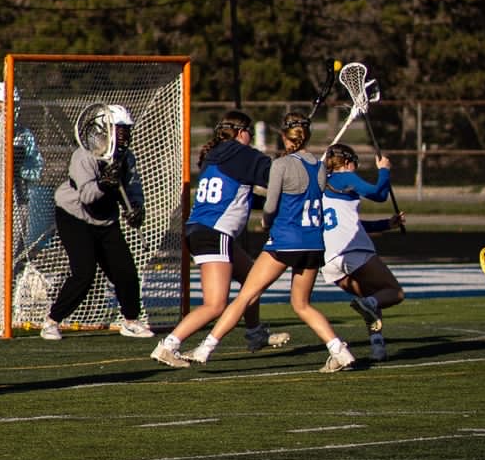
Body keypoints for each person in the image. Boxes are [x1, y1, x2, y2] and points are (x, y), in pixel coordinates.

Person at [183, 111, 354, 372]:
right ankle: (339, 351)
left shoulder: (282, 165)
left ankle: (205, 348)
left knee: (245, 296)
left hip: (284, 242)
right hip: (313, 243)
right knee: (302, 305)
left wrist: (266, 221)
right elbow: (312, 194)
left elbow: (272, 205)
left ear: (284, 137)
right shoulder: (318, 167)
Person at [150, 110, 282, 369]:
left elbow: (239, 197)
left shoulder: (216, 155)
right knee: (215, 304)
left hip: (203, 230)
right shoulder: (243, 155)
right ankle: (168, 346)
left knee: (252, 280)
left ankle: (255, 334)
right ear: (243, 133)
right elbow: (277, 178)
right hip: (214, 233)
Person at [40, 104, 153, 341]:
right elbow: (87, 197)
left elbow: (133, 188)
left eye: (126, 130)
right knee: (84, 272)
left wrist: (135, 208)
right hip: (74, 215)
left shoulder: (125, 157)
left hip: (105, 219)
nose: (124, 135)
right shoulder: (84, 156)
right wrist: (104, 183)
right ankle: (51, 321)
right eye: (119, 129)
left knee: (126, 272)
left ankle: (131, 321)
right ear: (104, 128)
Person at [320, 143, 405, 362]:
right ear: (347, 163)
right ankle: (372, 318)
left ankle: (378, 347)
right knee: (393, 293)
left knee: (369, 298)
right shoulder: (345, 177)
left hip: (328, 259)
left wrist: (387, 224)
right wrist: (384, 169)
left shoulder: (319, 184)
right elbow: (379, 194)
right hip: (353, 250)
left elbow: (351, 223)